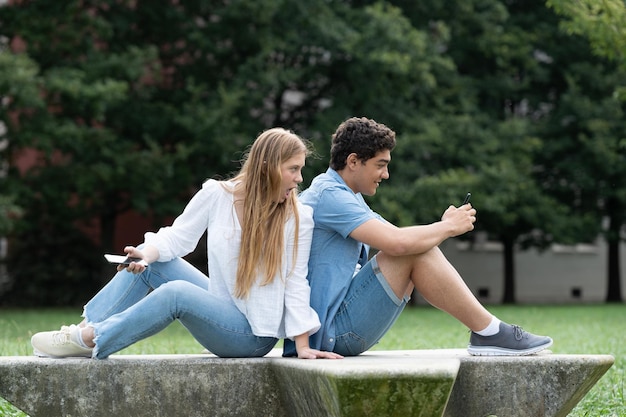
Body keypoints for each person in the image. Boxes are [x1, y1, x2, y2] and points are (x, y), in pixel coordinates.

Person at [31, 128, 342, 360]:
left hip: (250, 336)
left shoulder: (298, 216)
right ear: (267, 168)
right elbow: (177, 237)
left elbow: (295, 282)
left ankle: (92, 338)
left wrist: (303, 346)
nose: (300, 178)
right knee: (155, 261)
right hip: (221, 305)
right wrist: (145, 254)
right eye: (293, 169)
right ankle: (81, 332)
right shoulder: (217, 194)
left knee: (176, 294)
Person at [284, 117, 552, 357]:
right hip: (328, 334)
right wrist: (447, 227)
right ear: (353, 162)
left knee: (418, 247)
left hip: (335, 328)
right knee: (412, 251)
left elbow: (400, 236)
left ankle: (490, 332)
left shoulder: (345, 195)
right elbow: (399, 243)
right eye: (381, 165)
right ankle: (490, 332)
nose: (386, 175)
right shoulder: (330, 195)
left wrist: (442, 226)